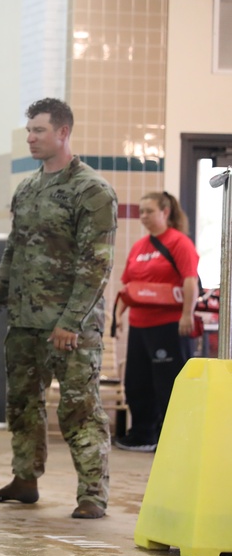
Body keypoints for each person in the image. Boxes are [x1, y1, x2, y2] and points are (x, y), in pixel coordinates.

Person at [0, 98, 117, 520]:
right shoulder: (28, 188)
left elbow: (97, 265)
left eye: (39, 130)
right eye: (28, 131)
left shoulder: (92, 190)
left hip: (70, 326)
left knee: (79, 409)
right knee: (21, 404)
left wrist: (70, 321)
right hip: (25, 323)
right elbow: (14, 253)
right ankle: (24, 480)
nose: (31, 138)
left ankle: (93, 493)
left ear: (63, 132)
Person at [114, 191, 199, 453]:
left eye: (149, 211)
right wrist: (118, 315)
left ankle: (170, 437)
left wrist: (187, 313)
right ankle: (142, 434)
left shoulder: (179, 243)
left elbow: (190, 281)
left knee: (168, 383)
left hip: (170, 324)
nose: (143, 217)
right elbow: (129, 285)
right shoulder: (140, 247)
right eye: (140, 212)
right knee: (137, 382)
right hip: (140, 325)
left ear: (165, 212)